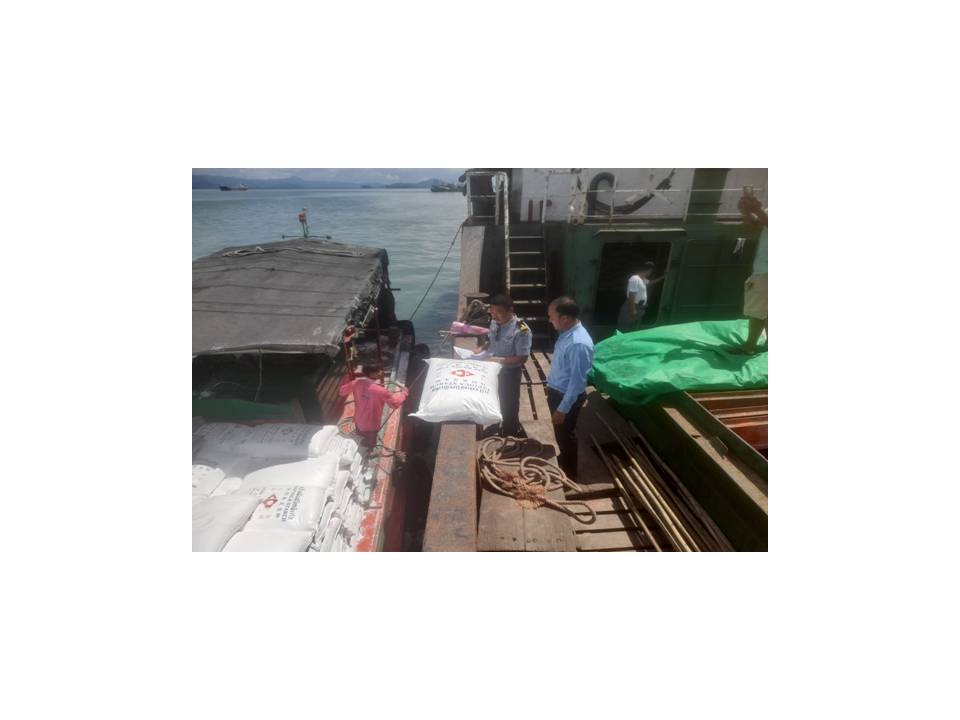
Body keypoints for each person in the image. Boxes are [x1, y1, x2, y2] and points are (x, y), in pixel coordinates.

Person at [545, 297, 595, 480]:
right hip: (557, 392)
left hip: (566, 398)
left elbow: (577, 382)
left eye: (552, 316)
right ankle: (564, 461)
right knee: (560, 433)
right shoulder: (566, 333)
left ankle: (570, 475)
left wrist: (562, 409)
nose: (550, 320)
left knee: (566, 435)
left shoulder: (578, 344)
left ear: (564, 318)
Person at [481, 294, 531, 437]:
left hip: (509, 373)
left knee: (509, 403)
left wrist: (497, 360)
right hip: (492, 369)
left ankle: (510, 431)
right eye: (492, 311)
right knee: (494, 399)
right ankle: (496, 424)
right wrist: (482, 348)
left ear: (510, 310)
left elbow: (522, 358)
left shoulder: (521, 330)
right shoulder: (495, 321)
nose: (494, 315)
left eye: (499, 312)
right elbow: (492, 339)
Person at [338, 361, 409, 448]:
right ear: (371, 374)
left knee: (360, 438)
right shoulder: (382, 391)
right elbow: (395, 404)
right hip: (371, 425)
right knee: (370, 444)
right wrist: (404, 393)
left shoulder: (356, 383)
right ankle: (369, 448)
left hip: (358, 421)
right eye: (378, 370)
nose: (382, 372)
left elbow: (341, 392)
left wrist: (347, 377)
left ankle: (362, 445)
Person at [736, 188, 768, 353]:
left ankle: (749, 346)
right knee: (765, 310)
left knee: (757, 310)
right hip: (764, 268)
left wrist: (756, 209)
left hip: (766, 271)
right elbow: (752, 226)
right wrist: (747, 212)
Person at [617, 260, 659, 332]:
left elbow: (650, 283)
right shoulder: (635, 279)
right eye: (651, 271)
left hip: (639, 308)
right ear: (649, 270)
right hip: (632, 308)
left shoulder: (642, 279)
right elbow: (631, 295)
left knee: (633, 330)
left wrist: (662, 277)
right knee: (625, 329)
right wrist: (633, 310)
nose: (650, 273)